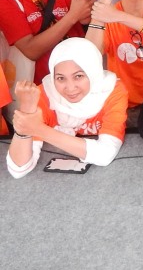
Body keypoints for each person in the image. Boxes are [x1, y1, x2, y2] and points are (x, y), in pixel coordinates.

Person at [7, 38, 128, 179]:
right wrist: (27, 110)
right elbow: (18, 169)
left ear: (93, 72)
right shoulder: (43, 94)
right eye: (60, 78)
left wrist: (38, 129)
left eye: (78, 76)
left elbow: (105, 154)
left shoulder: (111, 91)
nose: (70, 88)